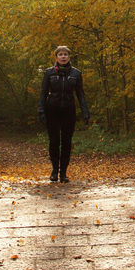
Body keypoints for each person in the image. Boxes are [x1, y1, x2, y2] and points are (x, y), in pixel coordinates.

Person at [38, 45, 89, 182]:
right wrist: (41, 110)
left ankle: (63, 173)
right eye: (60, 54)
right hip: (52, 111)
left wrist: (85, 111)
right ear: (56, 57)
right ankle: (54, 170)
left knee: (67, 142)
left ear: (69, 57)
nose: (63, 57)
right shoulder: (49, 73)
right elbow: (43, 93)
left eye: (65, 54)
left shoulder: (76, 74)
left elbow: (80, 94)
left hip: (68, 111)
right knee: (54, 142)